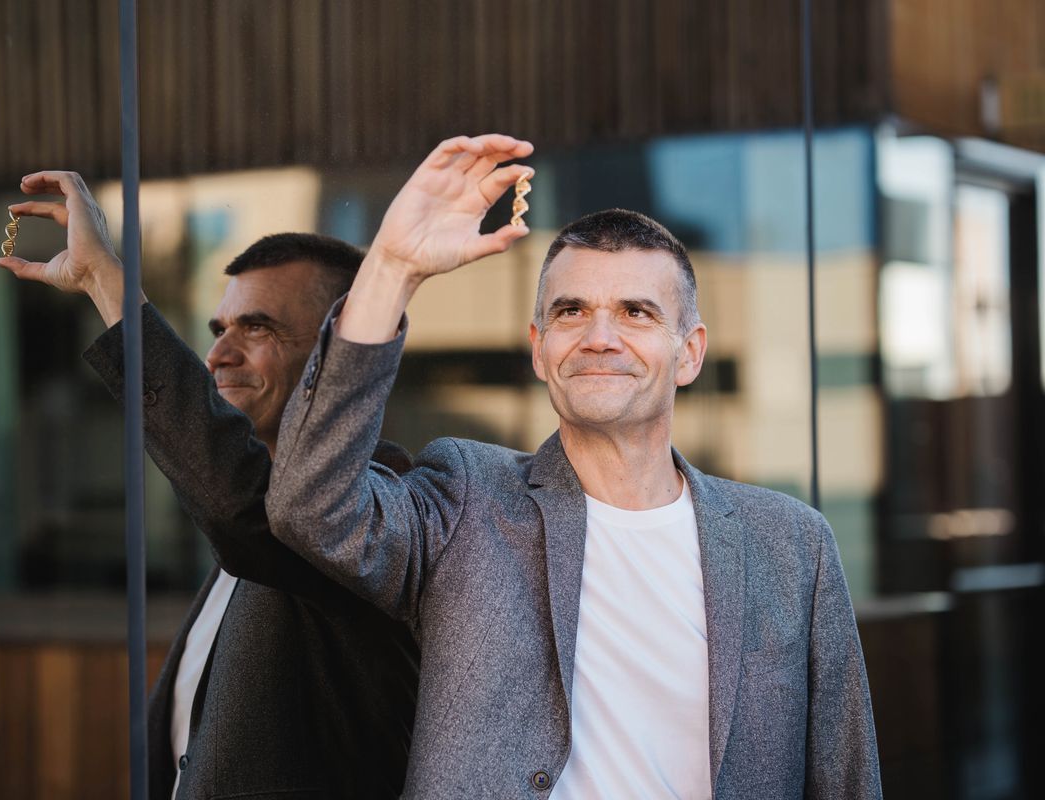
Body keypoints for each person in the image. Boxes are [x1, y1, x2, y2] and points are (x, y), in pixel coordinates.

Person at [262, 135, 883, 798]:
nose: (599, 336)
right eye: (571, 311)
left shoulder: (792, 546)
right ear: (539, 347)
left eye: (636, 312)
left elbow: (844, 778)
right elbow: (308, 508)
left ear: (690, 353)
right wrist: (389, 268)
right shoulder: (465, 498)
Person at [0, 171, 418, 800]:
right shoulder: (244, 525)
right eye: (220, 329)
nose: (219, 355)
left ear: (342, 354)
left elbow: (243, 504)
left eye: (258, 328)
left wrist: (103, 279)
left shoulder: (377, 514)